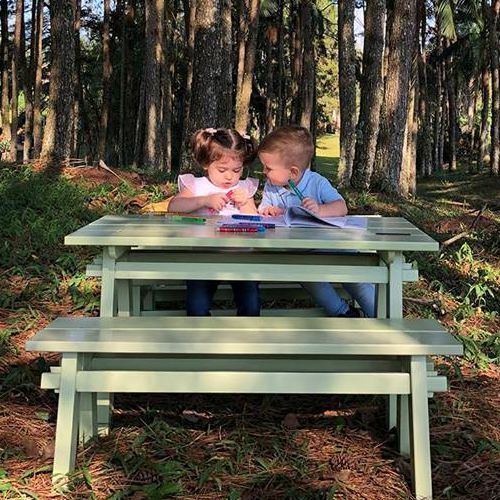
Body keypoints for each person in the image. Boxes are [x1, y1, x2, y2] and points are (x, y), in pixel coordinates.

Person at [258, 125, 375, 318]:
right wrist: (268, 212)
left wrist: (320, 210)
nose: (263, 172)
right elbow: (262, 212)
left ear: (293, 172)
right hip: (300, 255)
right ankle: (343, 313)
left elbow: (341, 207)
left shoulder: (316, 182)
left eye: (268, 168)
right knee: (308, 276)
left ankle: (382, 317)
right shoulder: (272, 187)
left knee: (355, 279)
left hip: (334, 249)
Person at [168, 127, 261, 316]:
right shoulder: (196, 185)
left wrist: (244, 203)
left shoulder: (245, 188)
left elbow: (256, 221)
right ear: (205, 163)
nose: (229, 176)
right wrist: (203, 200)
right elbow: (174, 207)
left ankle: (246, 338)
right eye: (222, 169)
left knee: (251, 305)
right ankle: (200, 337)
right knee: (197, 307)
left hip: (241, 258)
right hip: (203, 256)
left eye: (237, 170)